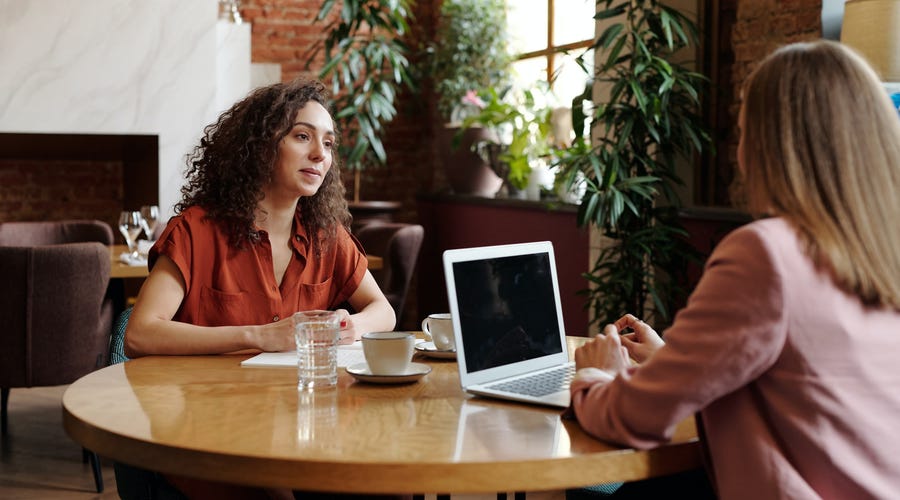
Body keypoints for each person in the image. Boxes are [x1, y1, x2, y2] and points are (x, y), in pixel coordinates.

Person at [569, 40, 900, 499]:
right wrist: (672, 361)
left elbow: (636, 417)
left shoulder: (767, 253)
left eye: (744, 134)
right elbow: (806, 383)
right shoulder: (881, 251)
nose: (740, 155)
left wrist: (598, 376)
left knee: (594, 490)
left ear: (773, 147)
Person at [122, 78, 397, 499]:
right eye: (302, 136)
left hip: (307, 426)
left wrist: (351, 323)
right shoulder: (197, 230)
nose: (320, 154)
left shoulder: (326, 234)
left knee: (388, 486)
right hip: (211, 429)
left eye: (328, 142)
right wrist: (260, 336)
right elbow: (140, 333)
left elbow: (383, 310)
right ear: (262, 145)